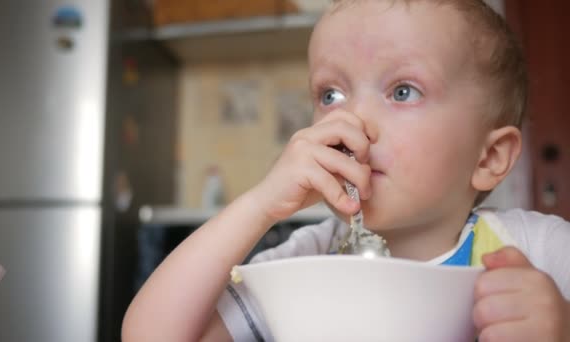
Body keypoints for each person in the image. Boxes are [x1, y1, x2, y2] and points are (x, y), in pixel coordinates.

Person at [121, 0, 570, 341]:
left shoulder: (540, 250)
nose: (351, 121)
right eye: (331, 95)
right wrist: (259, 204)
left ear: (488, 158)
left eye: (403, 91)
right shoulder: (306, 258)